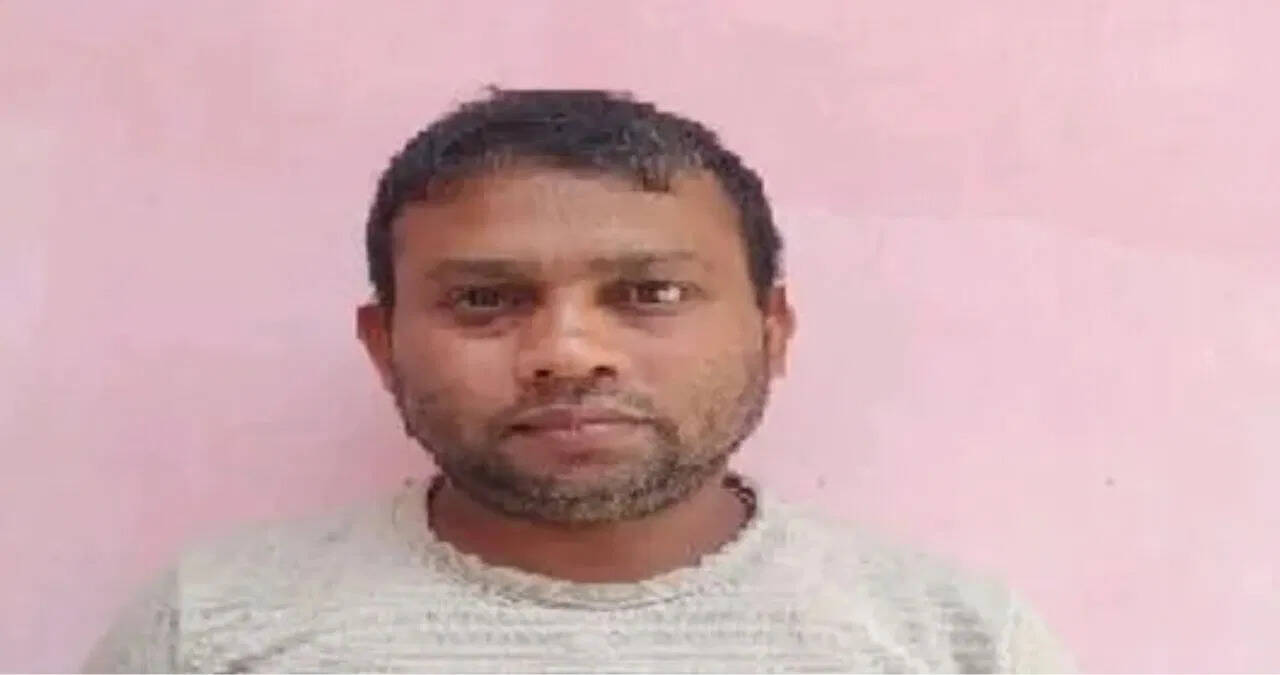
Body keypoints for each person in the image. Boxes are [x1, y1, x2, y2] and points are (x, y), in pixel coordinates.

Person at [84, 88, 1074, 673]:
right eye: (484, 300)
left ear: (771, 329)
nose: (567, 351)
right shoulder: (214, 628)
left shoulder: (950, 641)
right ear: (383, 345)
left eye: (649, 293)